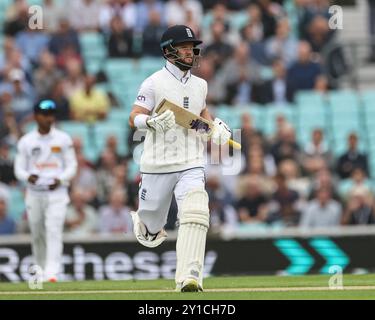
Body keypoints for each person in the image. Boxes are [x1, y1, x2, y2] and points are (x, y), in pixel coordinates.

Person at [128, 25, 232, 292]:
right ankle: (148, 224)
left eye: (191, 47)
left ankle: (190, 276)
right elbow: (134, 116)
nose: (190, 52)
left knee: (196, 210)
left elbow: (199, 117)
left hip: (191, 161)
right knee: (150, 233)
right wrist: (149, 122)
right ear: (168, 51)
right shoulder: (153, 82)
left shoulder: (201, 84)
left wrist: (215, 130)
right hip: (157, 163)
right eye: (183, 47)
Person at [14, 100, 77, 282]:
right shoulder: (26, 141)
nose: (49, 118)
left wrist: (61, 179)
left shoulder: (63, 139)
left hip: (57, 193)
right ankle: (40, 270)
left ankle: (52, 273)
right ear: (36, 116)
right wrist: (28, 177)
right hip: (34, 193)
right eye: (44, 114)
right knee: (37, 232)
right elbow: (19, 169)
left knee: (53, 229)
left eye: (51, 114)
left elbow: (72, 165)